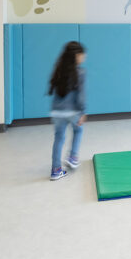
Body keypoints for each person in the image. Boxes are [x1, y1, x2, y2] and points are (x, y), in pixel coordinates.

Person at [48, 41, 87, 181]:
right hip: (72, 111)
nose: (84, 58)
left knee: (59, 138)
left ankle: (56, 170)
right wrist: (82, 112)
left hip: (57, 112)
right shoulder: (80, 72)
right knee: (78, 130)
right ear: (77, 56)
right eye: (83, 55)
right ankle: (73, 157)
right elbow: (80, 95)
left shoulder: (58, 70)